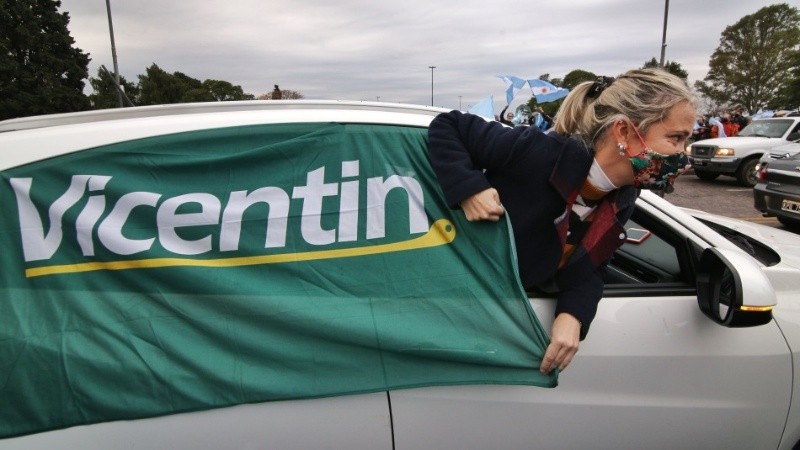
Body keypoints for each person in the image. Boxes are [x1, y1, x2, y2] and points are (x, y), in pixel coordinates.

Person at [427, 68, 695, 375]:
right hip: (454, 315)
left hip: (505, 332)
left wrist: (573, 315)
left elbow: (592, 266)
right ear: (623, 132)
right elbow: (449, 126)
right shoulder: (538, 153)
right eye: (676, 138)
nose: (683, 155)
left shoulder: (624, 195)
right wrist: (469, 189)